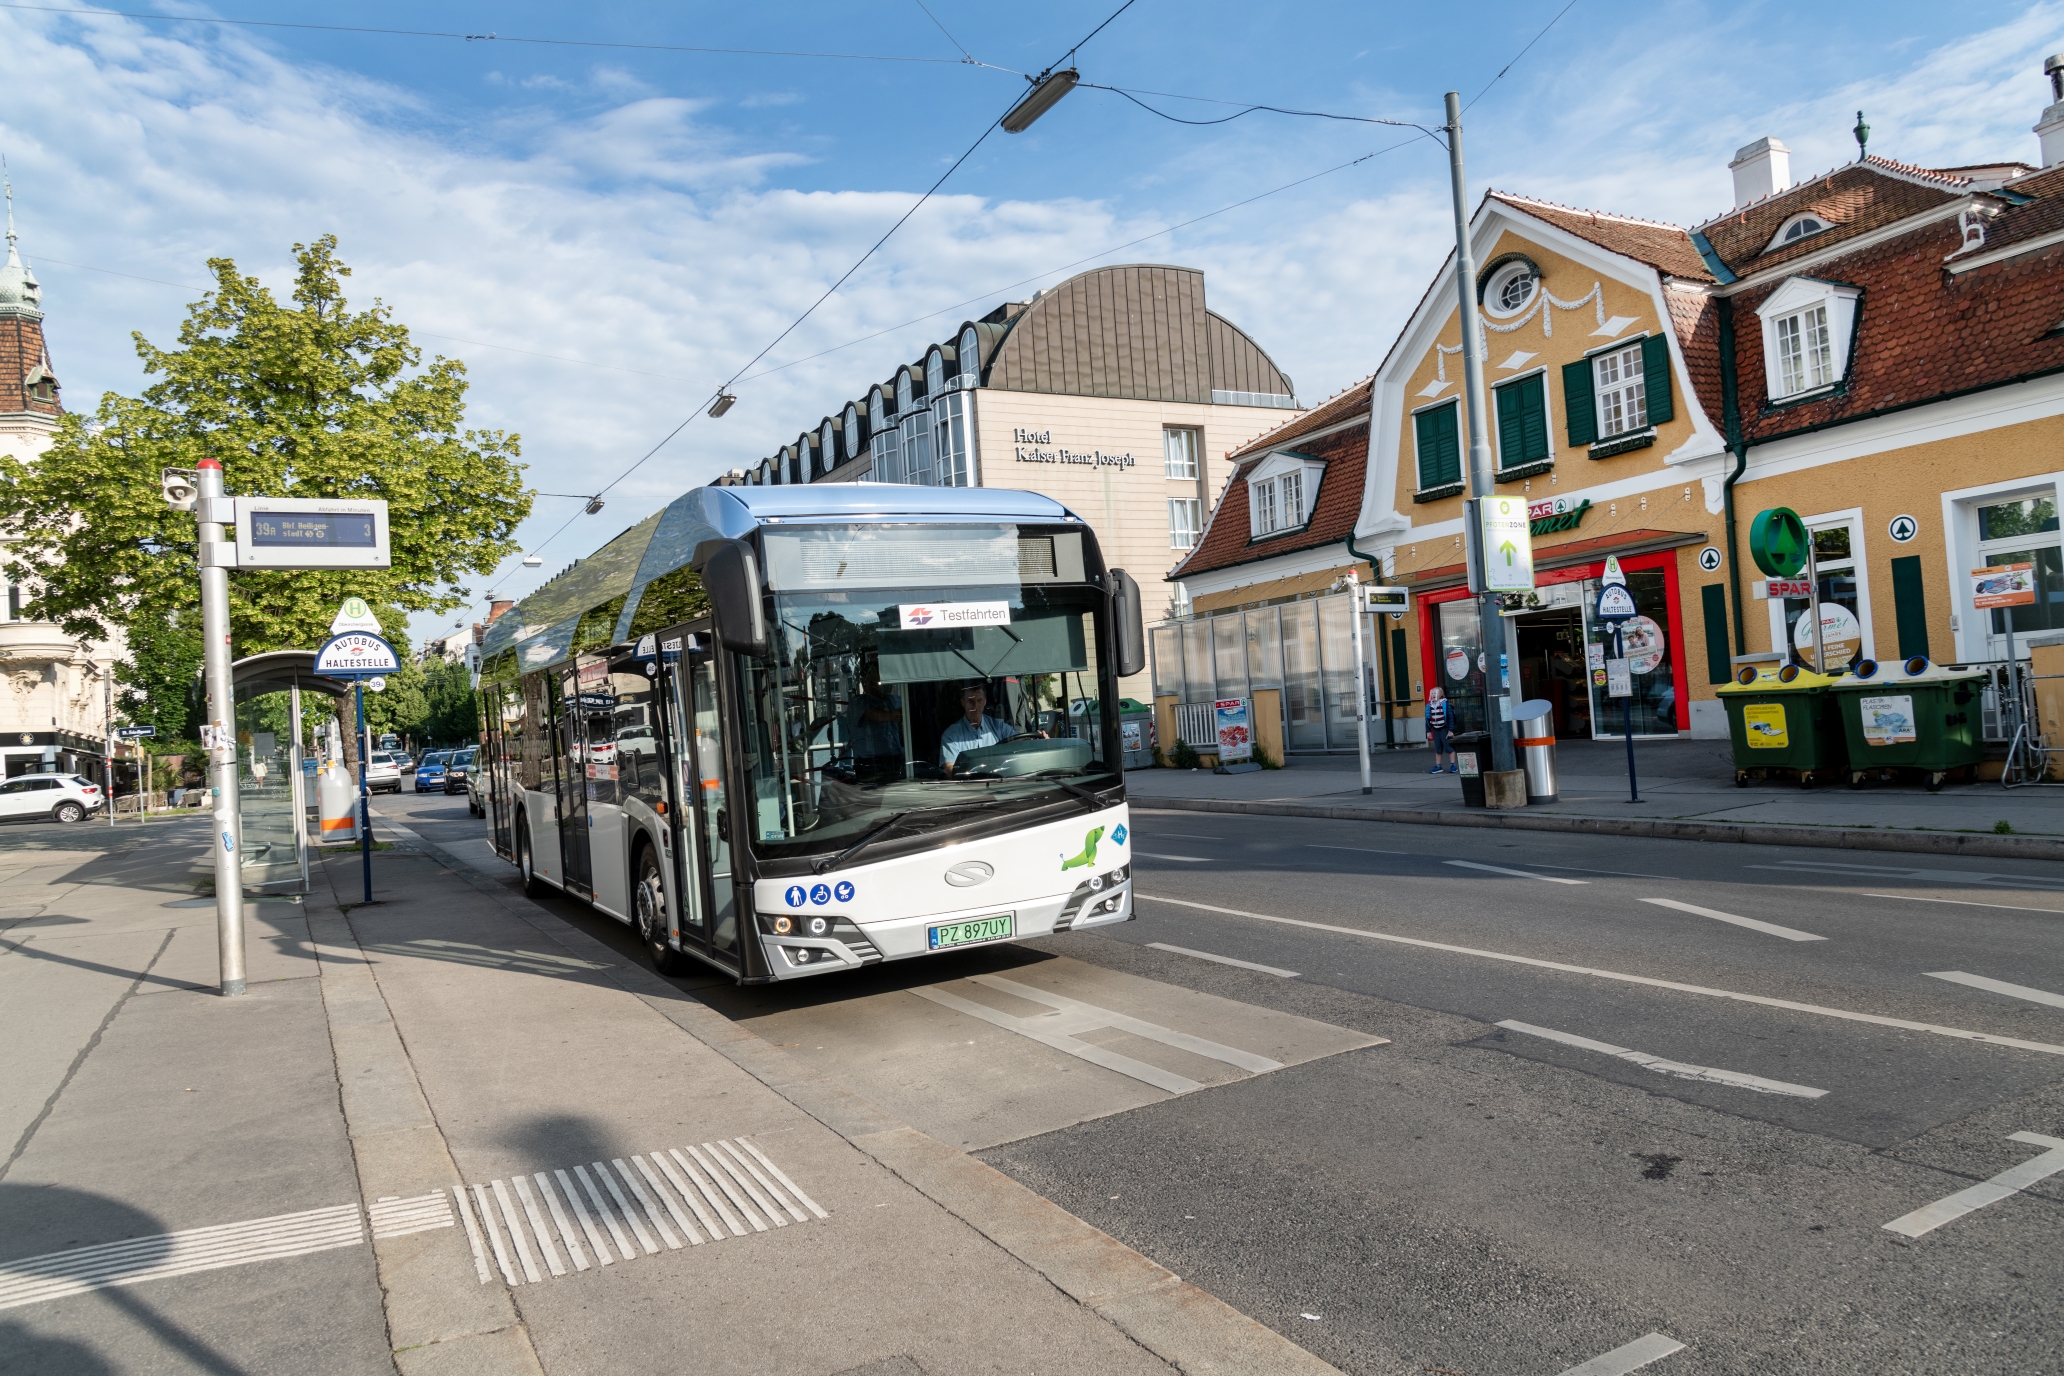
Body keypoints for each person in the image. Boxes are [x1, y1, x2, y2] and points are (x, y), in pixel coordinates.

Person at [940, 682, 1025, 775]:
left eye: (979, 700)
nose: (975, 706)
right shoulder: (951, 736)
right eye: (970, 701)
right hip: (969, 787)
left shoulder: (999, 727)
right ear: (963, 702)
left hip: (1001, 784)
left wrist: (1038, 739)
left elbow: (1022, 743)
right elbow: (950, 770)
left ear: (985, 701)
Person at [843, 656, 904, 781]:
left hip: (896, 760)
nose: (880, 682)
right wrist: (893, 715)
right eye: (876, 679)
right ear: (866, 682)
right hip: (869, 765)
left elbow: (907, 711)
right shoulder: (857, 703)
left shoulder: (892, 699)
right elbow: (871, 714)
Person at [1425, 685, 1454, 773]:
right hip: (1435, 729)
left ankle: (1453, 765)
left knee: (1448, 746)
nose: (1434, 694)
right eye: (1432, 693)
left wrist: (1451, 730)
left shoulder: (1445, 704)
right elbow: (1427, 719)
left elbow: (1450, 717)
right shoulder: (1429, 705)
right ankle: (1438, 766)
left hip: (1444, 728)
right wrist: (1428, 731)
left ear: (1441, 694)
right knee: (1437, 748)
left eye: (1436, 693)